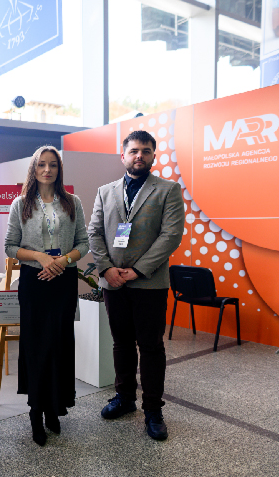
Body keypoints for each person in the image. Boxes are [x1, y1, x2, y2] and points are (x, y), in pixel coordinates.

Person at [87, 130, 185, 441]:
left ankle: (153, 409)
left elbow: (171, 235)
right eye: (133, 151)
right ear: (123, 156)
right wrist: (107, 269)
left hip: (149, 283)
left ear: (154, 155)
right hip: (113, 283)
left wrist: (137, 271)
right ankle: (125, 397)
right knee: (121, 344)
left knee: (151, 347)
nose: (139, 155)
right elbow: (94, 232)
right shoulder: (105, 191)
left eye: (145, 150)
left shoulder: (168, 190)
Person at [4, 145, 89, 446]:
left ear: (59, 169)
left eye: (53, 165)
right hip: (34, 281)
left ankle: (55, 407)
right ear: (34, 168)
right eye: (42, 164)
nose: (47, 170)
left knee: (60, 344)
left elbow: (83, 243)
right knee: (36, 346)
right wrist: (41, 257)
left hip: (63, 281)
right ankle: (36, 411)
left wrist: (62, 261)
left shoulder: (72, 202)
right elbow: (10, 246)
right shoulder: (21, 204)